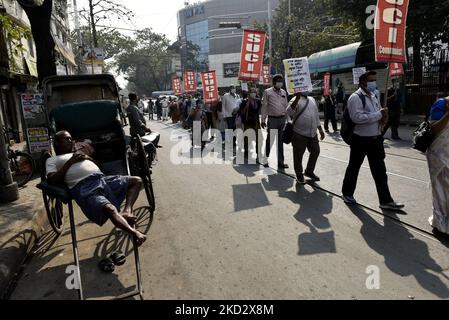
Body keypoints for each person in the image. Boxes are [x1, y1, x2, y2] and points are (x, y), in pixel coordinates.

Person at [46, 131, 147, 245]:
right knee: (110, 209)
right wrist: (70, 162)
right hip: (84, 187)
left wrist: (88, 158)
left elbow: (99, 166)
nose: (71, 141)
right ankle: (135, 233)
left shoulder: (79, 153)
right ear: (58, 143)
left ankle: (127, 211)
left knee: (136, 181)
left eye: (71, 138)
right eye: (67, 139)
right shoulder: (52, 160)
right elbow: (52, 179)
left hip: (102, 179)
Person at [341, 70, 404, 211]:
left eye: (375, 80)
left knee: (380, 171)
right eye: (371, 80)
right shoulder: (355, 98)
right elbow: (357, 118)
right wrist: (378, 114)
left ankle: (386, 201)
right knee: (354, 168)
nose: (373, 83)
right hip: (360, 140)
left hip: (375, 140)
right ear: (362, 82)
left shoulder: (374, 95)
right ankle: (347, 193)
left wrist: (383, 117)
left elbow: (379, 116)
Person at [287, 93, 325, 184]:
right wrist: (297, 99)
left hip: (312, 133)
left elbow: (316, 115)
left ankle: (309, 171)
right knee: (298, 155)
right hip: (299, 133)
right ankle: (299, 174)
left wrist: (320, 129)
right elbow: (289, 112)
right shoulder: (295, 99)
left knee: (316, 151)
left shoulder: (312, 99)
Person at [427, 96, 449, 237]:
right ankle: (441, 226)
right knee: (442, 191)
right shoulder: (441, 103)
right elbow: (434, 129)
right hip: (440, 155)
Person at [261, 74, 289, 169]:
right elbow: (264, 106)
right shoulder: (267, 92)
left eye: (281, 81)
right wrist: (263, 119)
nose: (280, 83)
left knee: (280, 142)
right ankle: (265, 159)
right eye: (278, 81)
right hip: (272, 120)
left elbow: (286, 106)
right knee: (270, 140)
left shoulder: (284, 92)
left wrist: (288, 120)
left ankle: (281, 162)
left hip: (282, 119)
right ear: (274, 82)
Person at [239, 87, 262, 162]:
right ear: (249, 94)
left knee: (259, 139)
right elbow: (241, 112)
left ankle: (258, 154)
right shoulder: (244, 101)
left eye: (254, 92)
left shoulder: (258, 101)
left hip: (256, 122)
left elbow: (259, 111)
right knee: (247, 139)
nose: (253, 93)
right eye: (252, 92)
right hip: (248, 123)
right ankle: (246, 151)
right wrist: (247, 105)